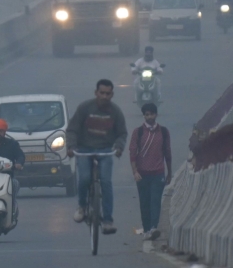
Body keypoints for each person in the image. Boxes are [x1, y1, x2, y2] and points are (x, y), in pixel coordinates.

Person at [67, 79, 128, 235]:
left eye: (108, 94)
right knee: (85, 178)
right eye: (102, 93)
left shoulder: (115, 112)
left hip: (105, 151)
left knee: (106, 182)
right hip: (84, 150)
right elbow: (72, 129)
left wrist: (119, 147)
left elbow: (122, 133)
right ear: (96, 93)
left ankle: (107, 220)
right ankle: (81, 206)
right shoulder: (85, 108)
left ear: (112, 95)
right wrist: (71, 146)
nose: (104, 96)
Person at [129, 103, 173, 240]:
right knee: (144, 203)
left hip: (158, 174)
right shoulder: (138, 132)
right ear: (144, 116)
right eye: (147, 114)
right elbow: (132, 153)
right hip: (142, 175)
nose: (149, 117)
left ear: (156, 115)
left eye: (151, 114)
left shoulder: (164, 132)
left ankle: (154, 227)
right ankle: (147, 229)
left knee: (155, 202)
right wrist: (135, 172)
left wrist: (169, 172)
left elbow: (167, 153)